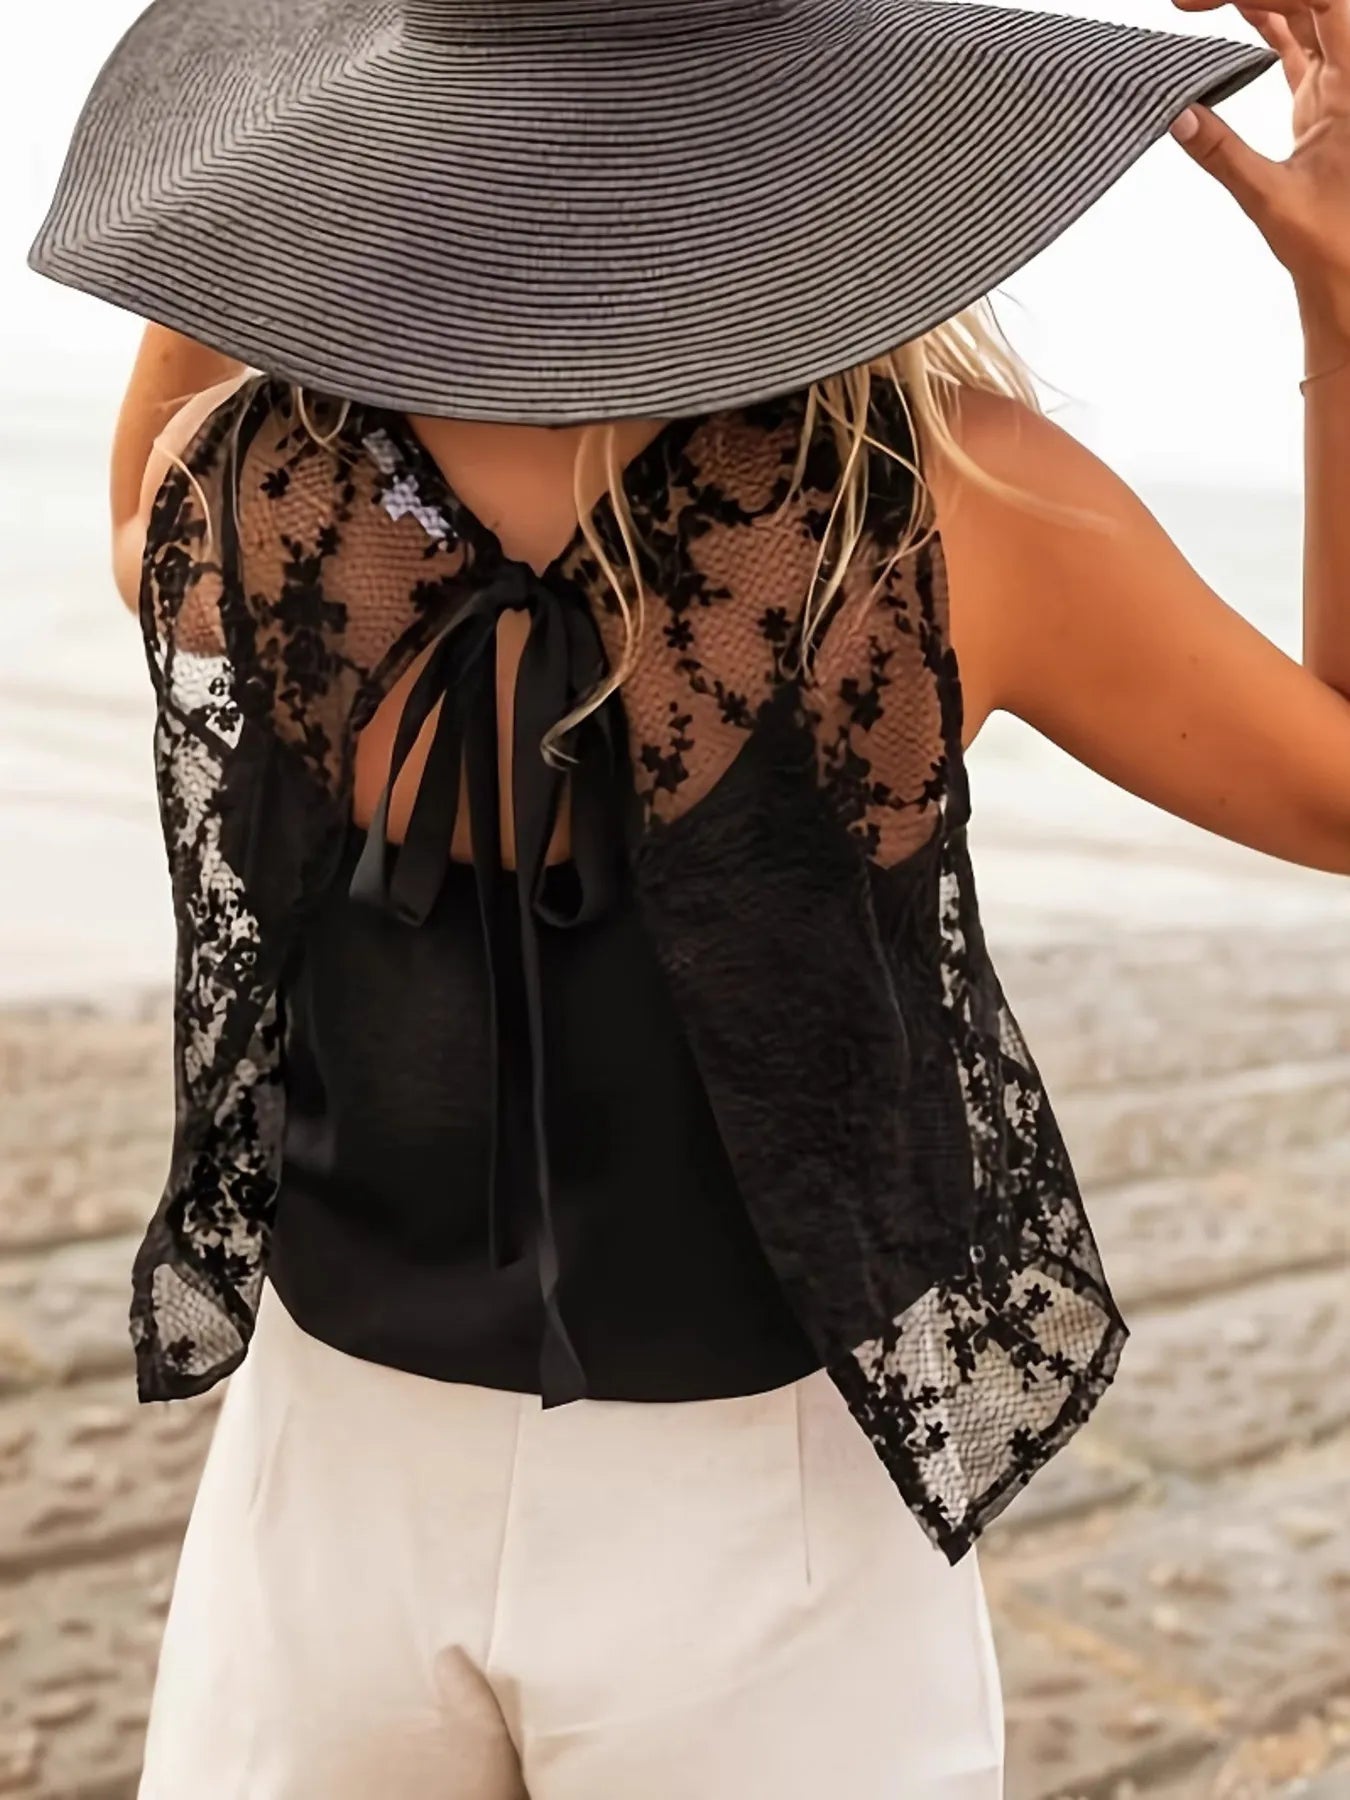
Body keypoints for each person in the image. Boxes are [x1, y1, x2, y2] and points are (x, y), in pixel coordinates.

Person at [28, 0, 1349, 1791]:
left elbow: (139, 507)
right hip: (762, 1512)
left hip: (327, 1475)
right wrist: (1338, 304)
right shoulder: (954, 512)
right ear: (808, 129)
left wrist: (266, 220)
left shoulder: (243, 492)